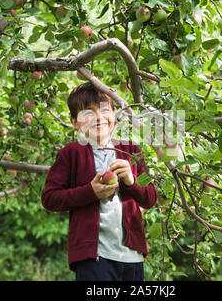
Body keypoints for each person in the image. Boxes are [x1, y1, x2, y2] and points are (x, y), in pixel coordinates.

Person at [41, 82, 158, 281]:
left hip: (132, 256)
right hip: (93, 257)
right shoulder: (71, 153)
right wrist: (90, 192)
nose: (98, 117)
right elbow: (50, 198)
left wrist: (132, 181)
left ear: (114, 114)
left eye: (104, 110)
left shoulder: (132, 151)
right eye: (87, 113)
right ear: (75, 122)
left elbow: (151, 198)